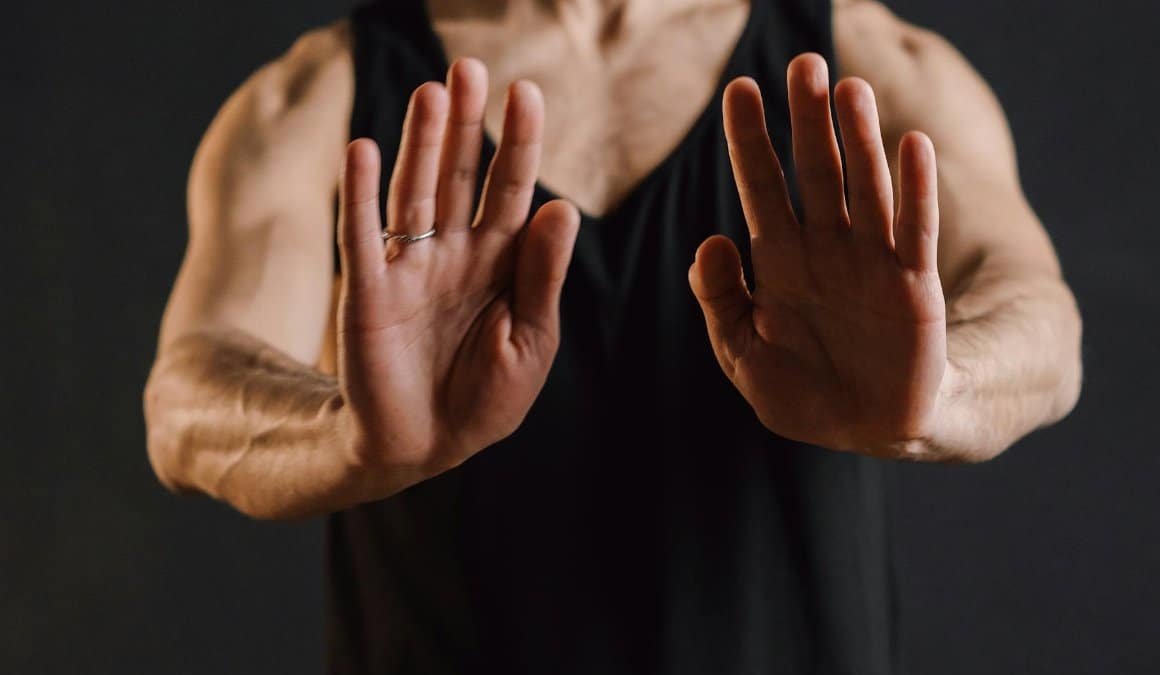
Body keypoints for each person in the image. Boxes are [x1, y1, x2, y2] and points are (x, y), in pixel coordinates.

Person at [142, 0, 1083, 672]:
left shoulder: (879, 63)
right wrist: (344, 434)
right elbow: (189, 394)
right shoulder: (318, 94)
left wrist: (938, 393)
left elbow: (1039, 317)